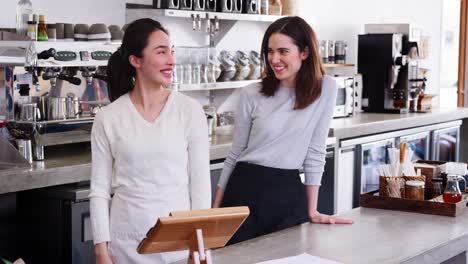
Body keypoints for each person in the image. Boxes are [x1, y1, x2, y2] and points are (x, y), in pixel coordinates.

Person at [213, 16, 353, 245]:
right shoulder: (251, 94)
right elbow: (235, 153)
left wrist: (313, 210)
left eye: (283, 51)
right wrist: (215, 213)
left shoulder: (325, 88)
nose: (274, 59)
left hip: (287, 190)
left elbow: (315, 151)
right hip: (244, 189)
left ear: (305, 52)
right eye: (269, 51)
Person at [89, 18, 211, 264]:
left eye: (171, 52)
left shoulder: (189, 111)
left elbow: (199, 187)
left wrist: (198, 246)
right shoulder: (108, 118)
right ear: (135, 61)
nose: (171, 60)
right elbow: (99, 190)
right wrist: (102, 251)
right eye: (161, 52)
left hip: (180, 244)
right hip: (126, 246)